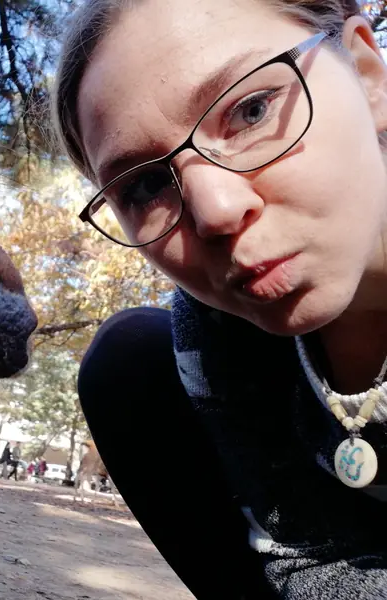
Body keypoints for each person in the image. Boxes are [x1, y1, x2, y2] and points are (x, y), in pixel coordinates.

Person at [53, 1, 387, 598]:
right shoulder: (214, 331)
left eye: (251, 110)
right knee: (126, 361)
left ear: (367, 72)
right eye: (147, 185)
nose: (215, 211)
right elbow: (302, 554)